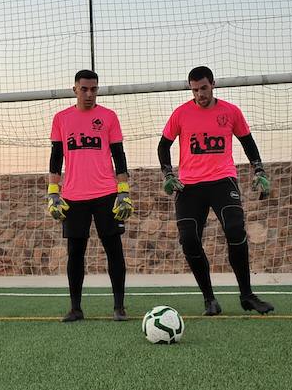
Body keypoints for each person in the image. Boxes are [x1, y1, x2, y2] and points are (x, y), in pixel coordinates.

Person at [158, 66, 274, 316]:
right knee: (189, 240)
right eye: (195, 89)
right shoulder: (180, 114)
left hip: (223, 181)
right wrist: (168, 174)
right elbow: (163, 146)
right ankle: (209, 299)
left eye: (204, 88)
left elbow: (247, 142)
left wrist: (259, 171)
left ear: (213, 84)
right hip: (189, 185)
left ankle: (247, 295)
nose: (200, 94)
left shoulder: (231, 112)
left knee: (234, 229)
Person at [46, 69, 135, 322]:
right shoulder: (61, 118)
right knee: (75, 252)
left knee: (114, 249)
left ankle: (119, 307)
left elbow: (119, 155)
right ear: (74, 89)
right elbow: (56, 157)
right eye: (84, 89)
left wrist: (123, 191)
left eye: (93, 89)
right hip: (73, 196)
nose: (89, 94)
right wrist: (53, 193)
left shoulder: (108, 117)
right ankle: (75, 308)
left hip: (106, 193)